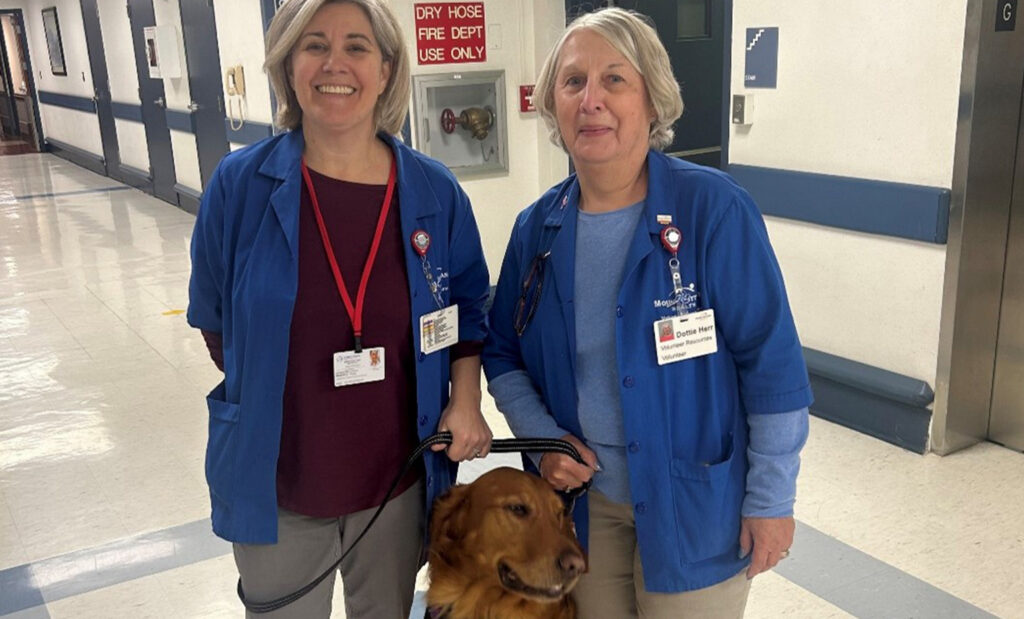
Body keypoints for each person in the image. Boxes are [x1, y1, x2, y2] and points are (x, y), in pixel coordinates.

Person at [482, 8, 812, 618]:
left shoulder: (712, 211)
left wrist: (771, 498)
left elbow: (772, 364)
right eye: (573, 82)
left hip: (696, 502)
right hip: (585, 505)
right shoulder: (538, 230)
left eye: (615, 80)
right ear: (553, 106)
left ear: (652, 101)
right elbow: (501, 350)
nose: (591, 100)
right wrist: (544, 437)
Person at [186, 1, 492, 617]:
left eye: (356, 46)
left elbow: (466, 314)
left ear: (385, 68)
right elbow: (217, 327)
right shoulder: (239, 186)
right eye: (313, 45)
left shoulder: (435, 192)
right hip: (279, 482)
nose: (335, 64)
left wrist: (464, 401)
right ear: (288, 66)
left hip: (398, 483)